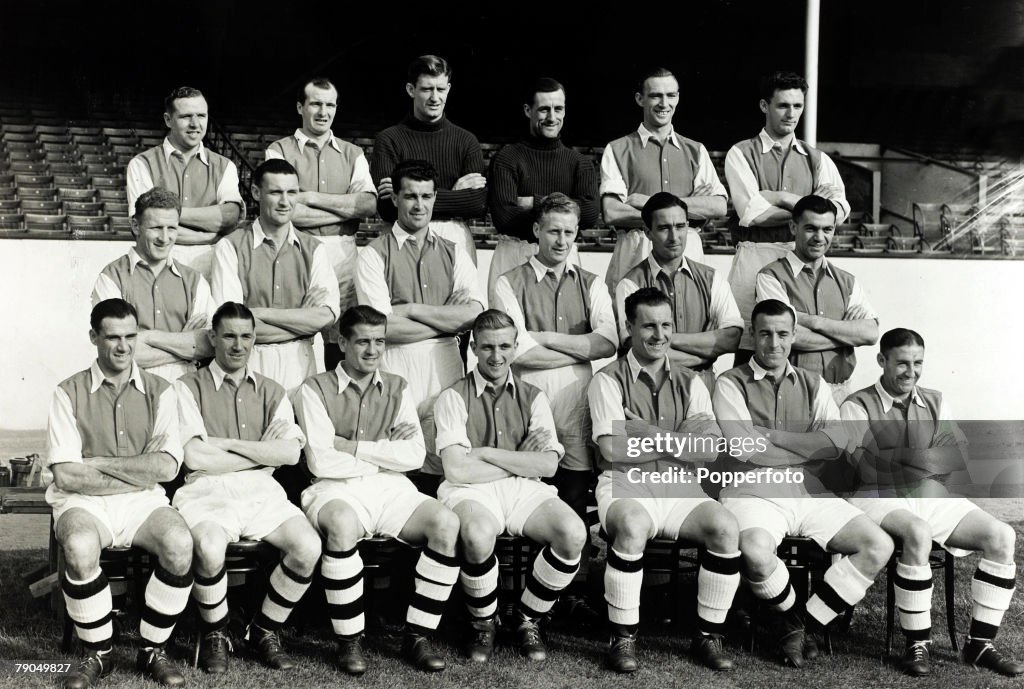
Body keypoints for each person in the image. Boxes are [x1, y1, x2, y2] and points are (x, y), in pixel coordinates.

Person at [712, 298, 893, 667]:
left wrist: (772, 438)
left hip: (809, 491)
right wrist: (805, 448)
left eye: (782, 334)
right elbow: (747, 450)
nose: (774, 344)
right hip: (753, 491)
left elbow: (835, 445)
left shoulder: (815, 383)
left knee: (877, 545)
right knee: (755, 550)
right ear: (753, 335)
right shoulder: (730, 382)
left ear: (794, 335)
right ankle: (794, 620)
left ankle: (800, 625)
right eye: (765, 334)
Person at [842, 328, 1021, 677]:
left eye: (918, 362)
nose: (911, 371)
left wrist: (897, 459)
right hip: (874, 498)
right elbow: (864, 469)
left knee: (1002, 537)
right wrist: (926, 460)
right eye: (902, 363)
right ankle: (917, 644)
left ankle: (979, 645)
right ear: (881, 361)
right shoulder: (856, 404)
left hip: (929, 495)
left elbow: (956, 459)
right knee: (918, 533)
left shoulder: (936, 400)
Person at [294, 305, 461, 674]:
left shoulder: (398, 386)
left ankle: (418, 636)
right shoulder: (313, 388)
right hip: (334, 488)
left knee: (446, 524)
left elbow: (415, 455)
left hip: (391, 488)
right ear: (342, 341)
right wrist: (386, 450)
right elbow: (321, 462)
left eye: (380, 342)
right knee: (339, 524)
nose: (372, 351)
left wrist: (351, 446)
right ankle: (350, 641)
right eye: (363, 342)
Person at [588, 287, 742, 673]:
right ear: (629, 327)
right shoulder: (607, 381)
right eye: (649, 326)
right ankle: (622, 638)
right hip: (624, 483)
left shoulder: (692, 382)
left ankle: (708, 637)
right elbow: (611, 451)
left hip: (680, 486)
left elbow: (709, 451)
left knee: (724, 526)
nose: (659, 335)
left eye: (666, 325)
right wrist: (679, 441)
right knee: (632, 524)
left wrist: (643, 431)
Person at [46, 299, 193, 689]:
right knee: (78, 546)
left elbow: (165, 467)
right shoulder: (68, 392)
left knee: (179, 543)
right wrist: (134, 470)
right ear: (94, 337)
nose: (123, 346)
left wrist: (95, 462)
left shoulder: (162, 391)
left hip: (143, 502)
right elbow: (66, 475)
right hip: (85, 503)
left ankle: (152, 651)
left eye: (130, 336)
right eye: (112, 337)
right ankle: (100, 653)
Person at [174, 302, 321, 673]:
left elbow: (289, 453)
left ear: (255, 338)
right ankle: (216, 633)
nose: (238, 345)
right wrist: (261, 454)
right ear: (213, 338)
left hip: (261, 491)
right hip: (206, 489)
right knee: (208, 547)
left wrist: (224, 444)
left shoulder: (272, 390)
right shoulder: (186, 387)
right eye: (228, 336)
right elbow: (194, 457)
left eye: (246, 336)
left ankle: (264, 629)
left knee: (308, 546)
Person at [434, 310, 587, 662]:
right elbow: (456, 470)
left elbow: (549, 465)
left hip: (524, 490)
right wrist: (518, 460)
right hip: (470, 491)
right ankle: (483, 623)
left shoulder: (534, 397)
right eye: (487, 347)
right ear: (473, 348)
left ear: (516, 347)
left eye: (505, 346)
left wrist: (486, 454)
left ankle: (527, 617)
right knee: (476, 533)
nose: (496, 356)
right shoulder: (453, 397)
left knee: (573, 534)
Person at [493, 191, 616, 616]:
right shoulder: (509, 281)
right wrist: (579, 349)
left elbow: (607, 342)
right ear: (536, 231)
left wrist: (544, 338)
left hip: (577, 400)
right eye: (553, 231)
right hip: (528, 399)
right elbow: (518, 352)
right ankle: (519, 589)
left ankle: (572, 590)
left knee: (575, 494)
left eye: (569, 232)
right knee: (528, 489)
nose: (561, 240)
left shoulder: (592, 282)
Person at [355, 159, 484, 496]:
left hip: (445, 365)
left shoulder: (455, 252)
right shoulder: (373, 254)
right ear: (395, 198)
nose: (419, 205)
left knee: (441, 462)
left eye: (427, 197)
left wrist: (410, 310)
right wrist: (444, 323)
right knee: (397, 462)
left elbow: (473, 315)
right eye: (410, 196)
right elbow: (380, 330)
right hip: (394, 363)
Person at [724, 71, 850, 366]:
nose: (791, 113)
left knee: (800, 346)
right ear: (764, 106)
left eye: (797, 106)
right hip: (754, 257)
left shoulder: (817, 158)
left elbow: (838, 210)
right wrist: (807, 212)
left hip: (801, 260)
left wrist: (780, 198)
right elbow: (751, 214)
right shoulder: (741, 153)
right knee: (752, 347)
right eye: (783, 105)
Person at [266, 77, 378, 370]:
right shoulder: (278, 150)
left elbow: (367, 204)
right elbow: (287, 211)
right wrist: (346, 209)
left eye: (330, 105)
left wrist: (311, 196)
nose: (323, 111)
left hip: (342, 250)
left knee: (340, 334)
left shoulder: (353, 153)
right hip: (294, 247)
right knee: (293, 328)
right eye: (315, 103)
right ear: (300, 107)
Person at [210, 158, 340, 391]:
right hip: (251, 361)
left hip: (302, 363)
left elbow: (326, 317)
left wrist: (259, 314)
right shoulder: (230, 247)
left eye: (292, 192)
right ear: (256, 192)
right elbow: (232, 326)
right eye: (276, 192)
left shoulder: (315, 248)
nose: (285, 201)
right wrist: (302, 318)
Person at [599, 67, 724, 298]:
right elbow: (612, 211)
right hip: (636, 247)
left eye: (671, 95)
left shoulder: (695, 150)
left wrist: (649, 204)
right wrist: (690, 208)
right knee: (634, 325)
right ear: (640, 99)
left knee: (688, 320)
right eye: (656, 95)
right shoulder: (617, 149)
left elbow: (718, 206)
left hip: (687, 248)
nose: (663, 103)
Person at [755, 195, 879, 404]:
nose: (820, 237)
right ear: (793, 227)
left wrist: (814, 322)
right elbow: (788, 338)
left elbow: (871, 334)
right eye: (811, 228)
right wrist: (846, 333)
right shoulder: (770, 276)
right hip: (792, 392)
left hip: (842, 392)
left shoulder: (847, 281)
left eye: (827, 229)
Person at [615, 192, 742, 393]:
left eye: (680, 226)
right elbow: (638, 348)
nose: (675, 237)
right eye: (664, 228)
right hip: (650, 391)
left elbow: (732, 338)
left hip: (703, 391)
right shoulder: (630, 284)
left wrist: (666, 339)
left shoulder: (712, 278)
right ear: (648, 232)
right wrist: (703, 355)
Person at [486, 77, 598, 304]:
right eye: (544, 109)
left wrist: (533, 202)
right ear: (528, 110)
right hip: (516, 253)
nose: (552, 117)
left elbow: (589, 214)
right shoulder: (508, 157)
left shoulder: (579, 162)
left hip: (563, 253)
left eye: (558, 109)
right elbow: (504, 217)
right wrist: (563, 208)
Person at [92, 187, 214, 382]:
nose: (164, 238)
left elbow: (209, 345)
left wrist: (147, 337)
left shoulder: (195, 281)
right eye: (156, 228)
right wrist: (185, 344)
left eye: (172, 228)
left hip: (184, 392)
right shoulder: (111, 278)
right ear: (135, 226)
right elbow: (120, 349)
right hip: (130, 390)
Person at [371, 54, 484, 264]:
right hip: (403, 236)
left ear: (448, 89)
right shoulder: (389, 139)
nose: (435, 97)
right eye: (426, 89)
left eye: (440, 89)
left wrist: (409, 196)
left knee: (459, 298)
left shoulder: (466, 140)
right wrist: (454, 195)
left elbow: (477, 204)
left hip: (455, 236)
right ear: (410, 90)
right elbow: (386, 207)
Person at [126, 86, 243, 277]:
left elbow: (230, 217)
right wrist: (208, 234)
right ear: (168, 120)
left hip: (212, 267)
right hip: (158, 267)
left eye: (201, 115)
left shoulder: (225, 166)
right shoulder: (142, 164)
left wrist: (166, 217)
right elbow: (143, 227)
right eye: (186, 116)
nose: (195, 124)